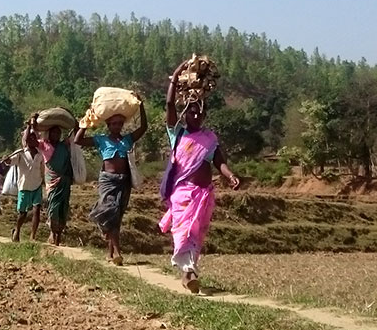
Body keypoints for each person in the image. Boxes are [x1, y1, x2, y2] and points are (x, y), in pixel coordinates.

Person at [159, 59, 240, 293]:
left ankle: (189, 272)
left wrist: (230, 175)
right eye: (191, 112)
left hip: (204, 195)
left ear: (204, 116)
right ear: (185, 114)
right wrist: (176, 75)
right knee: (183, 233)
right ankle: (188, 273)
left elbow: (219, 162)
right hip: (183, 195)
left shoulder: (210, 138)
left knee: (196, 235)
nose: (195, 116)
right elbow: (169, 104)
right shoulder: (178, 134)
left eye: (199, 113)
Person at [73, 102, 148, 265]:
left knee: (117, 216)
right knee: (110, 210)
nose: (117, 126)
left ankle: (110, 252)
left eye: (120, 123)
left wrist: (141, 107)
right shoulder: (101, 140)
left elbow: (143, 128)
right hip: (108, 180)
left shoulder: (127, 139)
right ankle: (118, 252)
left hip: (124, 181)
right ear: (108, 125)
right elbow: (78, 140)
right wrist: (86, 122)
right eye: (114, 124)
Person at [38, 122, 74, 246]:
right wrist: (31, 126)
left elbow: (75, 136)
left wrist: (78, 125)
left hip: (64, 181)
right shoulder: (44, 144)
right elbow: (28, 140)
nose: (56, 135)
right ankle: (53, 233)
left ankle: (58, 236)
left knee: (63, 208)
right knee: (53, 207)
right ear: (49, 133)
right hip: (52, 182)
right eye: (53, 132)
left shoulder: (63, 146)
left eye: (58, 133)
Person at [10, 118, 45, 242]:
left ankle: (33, 236)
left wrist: (44, 181)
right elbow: (10, 161)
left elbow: (43, 168)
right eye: (29, 138)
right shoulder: (21, 153)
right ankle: (17, 230)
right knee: (23, 213)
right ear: (26, 140)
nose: (31, 140)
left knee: (37, 210)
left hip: (36, 185)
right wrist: (7, 159)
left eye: (33, 138)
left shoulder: (40, 154)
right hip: (24, 187)